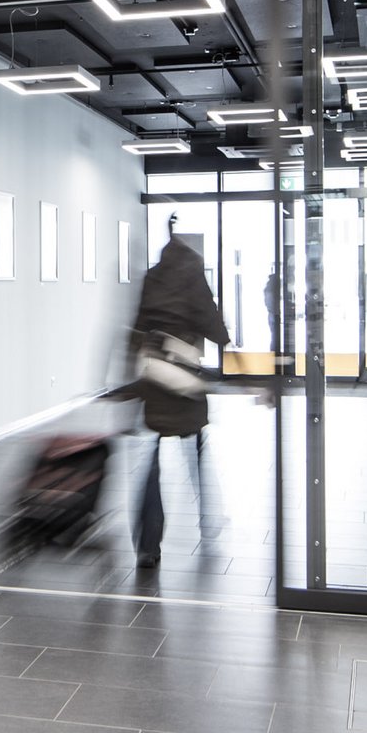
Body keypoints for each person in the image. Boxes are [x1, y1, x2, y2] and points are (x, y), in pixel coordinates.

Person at [128, 231, 230, 568]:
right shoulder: (194, 278)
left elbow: (137, 327)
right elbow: (212, 324)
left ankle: (148, 544)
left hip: (155, 378)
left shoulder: (152, 278)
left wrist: (131, 381)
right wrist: (224, 339)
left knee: (153, 461)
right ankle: (209, 518)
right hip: (185, 380)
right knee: (198, 451)